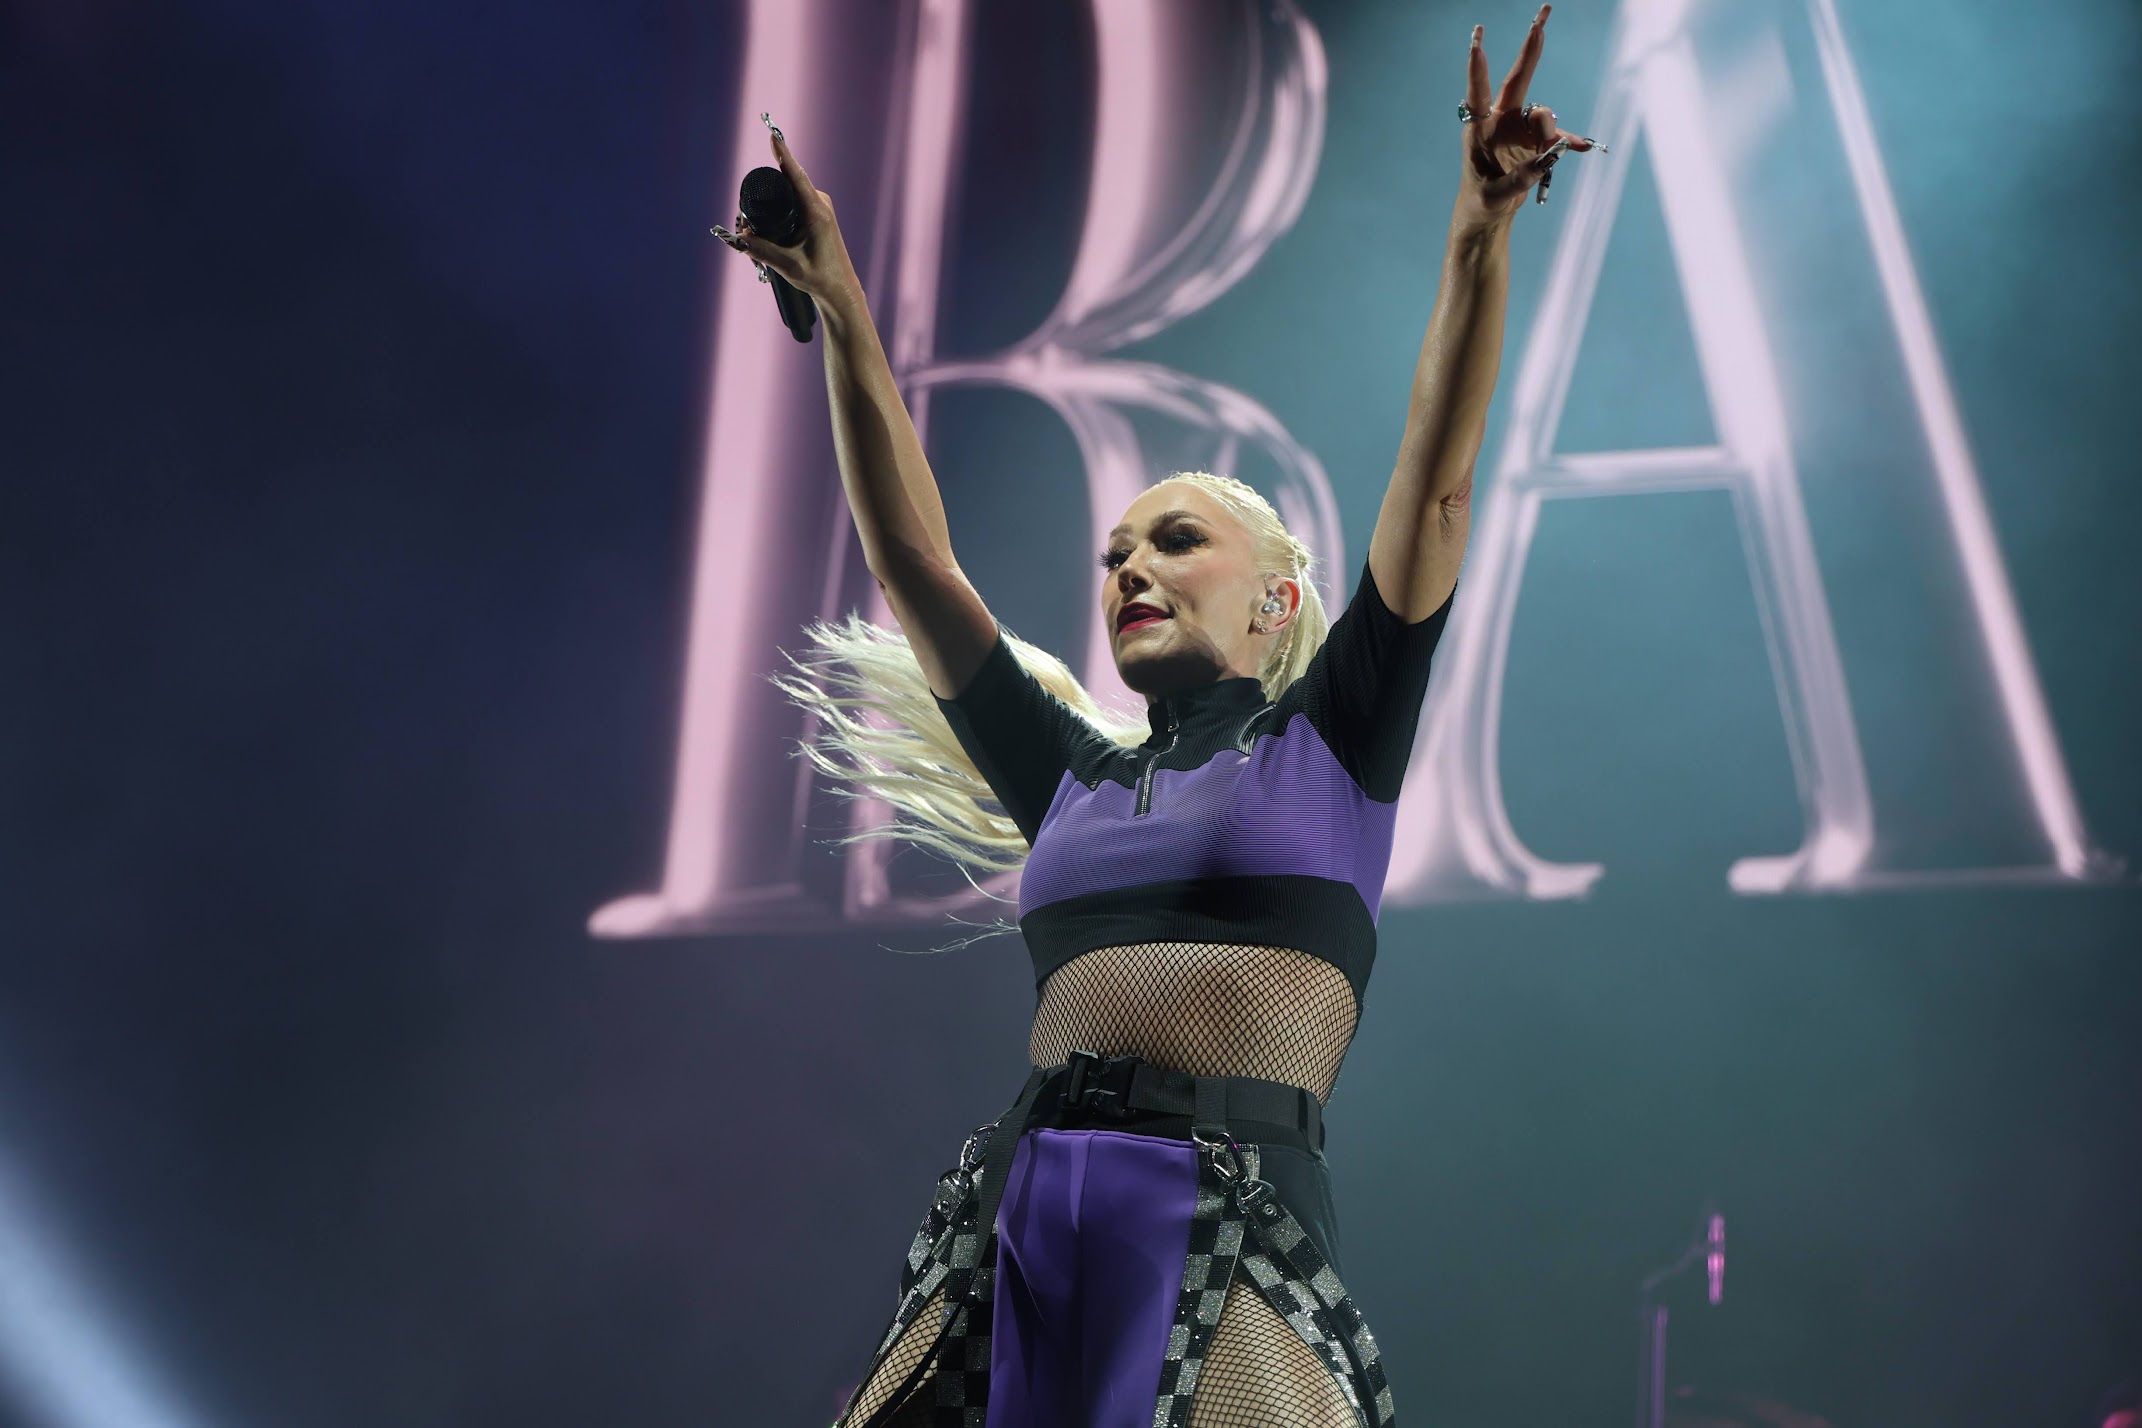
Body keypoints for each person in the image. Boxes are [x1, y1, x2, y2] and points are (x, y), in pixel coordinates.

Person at [714, 8, 1595, 1424]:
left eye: (1176, 541)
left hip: (1229, 1229)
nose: (1129, 567)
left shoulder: (1330, 746)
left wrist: (1478, 234)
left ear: (1277, 597)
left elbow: (1435, 484)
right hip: (1020, 1230)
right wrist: (841, 306)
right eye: (1115, 552)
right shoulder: (1072, 778)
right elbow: (915, 566)